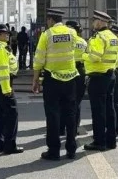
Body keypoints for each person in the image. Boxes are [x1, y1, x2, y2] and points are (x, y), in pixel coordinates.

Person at [32, 9, 79, 161]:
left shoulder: (47, 35)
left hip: (52, 79)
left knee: (53, 115)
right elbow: (76, 52)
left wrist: (35, 80)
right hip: (70, 78)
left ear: (50, 20)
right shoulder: (72, 33)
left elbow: (39, 59)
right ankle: (71, 149)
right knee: (70, 114)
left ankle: (54, 151)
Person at [83, 10, 118, 151]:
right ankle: (111, 140)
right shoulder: (112, 36)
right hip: (110, 75)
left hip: (98, 76)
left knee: (98, 111)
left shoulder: (99, 37)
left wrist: (84, 55)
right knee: (110, 109)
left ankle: (99, 141)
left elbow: (95, 57)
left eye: (94, 21)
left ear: (99, 22)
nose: (93, 24)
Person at [0, 24, 23, 154]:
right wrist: (7, 89)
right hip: (3, 83)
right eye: (4, 33)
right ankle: (10, 145)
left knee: (0, 115)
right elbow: (3, 70)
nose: (7, 35)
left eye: (7, 33)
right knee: (12, 113)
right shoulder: (0, 48)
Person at [60, 20, 87, 136]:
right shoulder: (83, 42)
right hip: (81, 71)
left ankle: (62, 128)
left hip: (67, 70)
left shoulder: (66, 41)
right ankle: (74, 128)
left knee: (64, 100)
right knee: (77, 101)